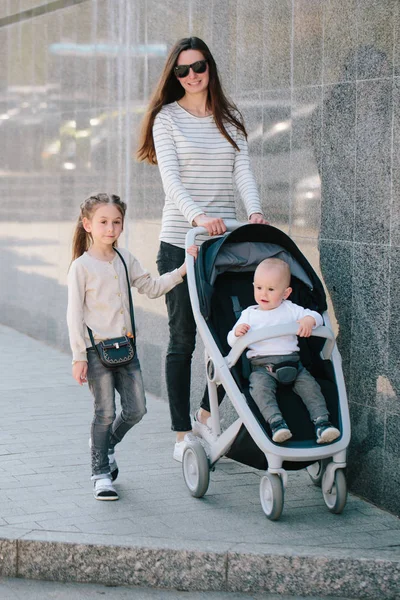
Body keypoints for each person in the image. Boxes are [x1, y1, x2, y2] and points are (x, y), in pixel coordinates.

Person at [137, 36, 268, 461]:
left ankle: (207, 414)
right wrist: (196, 216)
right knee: (183, 339)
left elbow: (242, 170)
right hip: (181, 242)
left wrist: (255, 212)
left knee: (233, 335)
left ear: (210, 68)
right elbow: (170, 181)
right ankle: (181, 435)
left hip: (224, 245)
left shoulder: (230, 118)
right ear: (174, 76)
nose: (192, 76)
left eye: (199, 67)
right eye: (182, 70)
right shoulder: (167, 119)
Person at [67, 193, 197, 500]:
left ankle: (105, 443)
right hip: (96, 351)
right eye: (103, 222)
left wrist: (181, 271)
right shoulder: (81, 267)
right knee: (105, 413)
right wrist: (78, 356)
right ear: (88, 225)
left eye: (116, 222)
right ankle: (101, 472)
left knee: (137, 409)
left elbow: (151, 287)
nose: (110, 228)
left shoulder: (126, 259)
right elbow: (74, 315)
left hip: (126, 349)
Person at [227, 257, 340, 444]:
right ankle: (277, 424)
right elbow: (231, 341)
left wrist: (309, 321)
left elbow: (316, 316)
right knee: (260, 389)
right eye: (259, 288)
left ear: (286, 293)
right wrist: (237, 333)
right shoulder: (248, 314)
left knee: (311, 388)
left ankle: (322, 423)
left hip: (294, 365)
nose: (264, 293)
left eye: (271, 289)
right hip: (262, 367)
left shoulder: (291, 309)